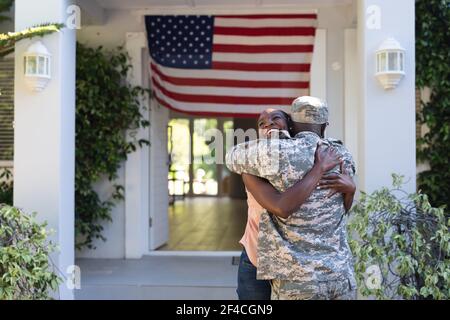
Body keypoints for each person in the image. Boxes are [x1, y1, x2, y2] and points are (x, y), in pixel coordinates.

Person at [227, 96, 357, 300]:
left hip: (290, 267)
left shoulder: (279, 154)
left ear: (291, 125)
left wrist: (350, 189)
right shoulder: (255, 159)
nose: (268, 124)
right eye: (262, 123)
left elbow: (340, 208)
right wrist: (319, 168)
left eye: (275, 118)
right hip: (256, 256)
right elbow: (281, 206)